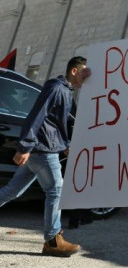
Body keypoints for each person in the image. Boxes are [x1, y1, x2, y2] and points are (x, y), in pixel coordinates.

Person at [0, 56, 90, 257]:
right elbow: (37, 115)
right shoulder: (57, 89)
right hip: (44, 151)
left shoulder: (65, 91)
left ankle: (53, 239)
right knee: (56, 191)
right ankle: (53, 241)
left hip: (44, 149)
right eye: (84, 73)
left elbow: (56, 124)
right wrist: (24, 146)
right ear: (74, 71)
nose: (86, 78)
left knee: (12, 191)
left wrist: (65, 144)